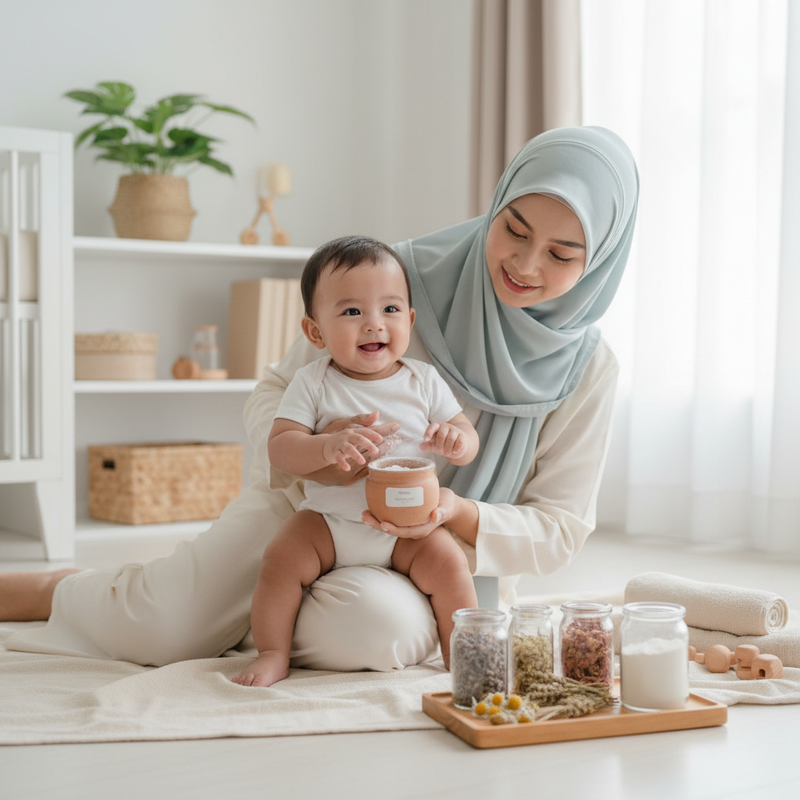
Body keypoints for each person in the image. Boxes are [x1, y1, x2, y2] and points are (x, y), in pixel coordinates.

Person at [0, 126, 639, 674]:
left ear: (602, 260)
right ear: (495, 205)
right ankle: (79, 591)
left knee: (370, 632)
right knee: (162, 628)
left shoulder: (589, 369)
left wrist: (450, 510)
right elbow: (277, 392)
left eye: (560, 253)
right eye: (514, 230)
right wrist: (317, 455)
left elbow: (559, 529)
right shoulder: (396, 277)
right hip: (306, 509)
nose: (524, 265)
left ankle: (248, 617)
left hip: (448, 554)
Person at [232, 235, 479, 686]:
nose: (373, 325)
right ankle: (273, 652)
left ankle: (462, 652)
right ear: (315, 332)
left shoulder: (423, 380)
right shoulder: (313, 381)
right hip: (329, 521)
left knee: (451, 567)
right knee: (279, 562)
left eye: (389, 310)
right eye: (351, 312)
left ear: (410, 318)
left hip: (406, 526)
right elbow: (281, 446)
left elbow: (466, 431)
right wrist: (326, 447)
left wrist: (456, 440)